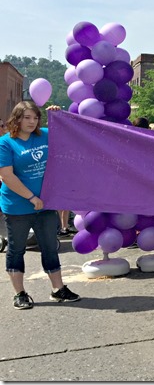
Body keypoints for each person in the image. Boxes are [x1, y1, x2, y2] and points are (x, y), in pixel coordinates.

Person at [0, 101, 80, 310]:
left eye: (35, 118)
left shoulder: (44, 135)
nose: (31, 122)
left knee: (50, 247)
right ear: (16, 118)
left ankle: (58, 289)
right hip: (17, 206)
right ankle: (20, 294)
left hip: (45, 205)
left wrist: (57, 114)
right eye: (26, 117)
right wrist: (31, 198)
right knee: (16, 249)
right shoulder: (6, 143)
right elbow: (6, 175)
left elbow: (68, 134)